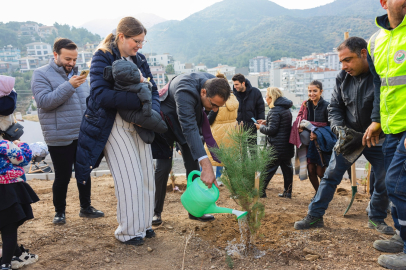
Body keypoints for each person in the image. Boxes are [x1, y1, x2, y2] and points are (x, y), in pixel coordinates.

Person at [294, 37, 394, 237]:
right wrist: (338, 128)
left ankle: (375, 218)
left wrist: (376, 123)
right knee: (330, 176)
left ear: (363, 54)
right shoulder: (342, 77)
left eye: (347, 60)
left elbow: (383, 102)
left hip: (377, 136)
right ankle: (314, 215)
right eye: (341, 61)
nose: (344, 65)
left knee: (384, 179)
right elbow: (335, 107)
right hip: (349, 137)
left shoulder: (380, 72)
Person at [75, 17, 159, 246]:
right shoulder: (102, 56)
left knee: (146, 175)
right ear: (122, 36)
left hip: (139, 123)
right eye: (137, 41)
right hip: (113, 124)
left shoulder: (139, 58)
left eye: (142, 42)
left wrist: (151, 114)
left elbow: (154, 91)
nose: (140, 46)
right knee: (130, 178)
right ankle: (128, 231)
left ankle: (144, 225)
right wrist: (139, 100)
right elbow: (100, 95)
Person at [31, 38, 104, 225]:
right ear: (55, 55)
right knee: (62, 176)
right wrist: (70, 85)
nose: (71, 63)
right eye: (67, 59)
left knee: (84, 172)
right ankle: (59, 212)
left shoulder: (78, 74)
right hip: (59, 136)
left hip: (82, 134)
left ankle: (86, 207)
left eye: (74, 59)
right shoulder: (41, 74)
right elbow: (45, 102)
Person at [152, 72, 230, 225]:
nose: (214, 110)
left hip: (187, 123)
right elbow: (189, 127)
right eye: (213, 105)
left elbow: (198, 129)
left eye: (218, 107)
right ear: (203, 92)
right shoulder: (185, 90)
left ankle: (195, 210)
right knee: (164, 166)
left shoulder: (212, 83)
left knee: (192, 163)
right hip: (166, 122)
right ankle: (155, 211)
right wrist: (206, 164)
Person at [364, 1, 406, 268]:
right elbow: (380, 85)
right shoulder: (374, 42)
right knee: (396, 189)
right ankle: (402, 237)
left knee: (397, 185)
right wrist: (377, 120)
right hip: (391, 127)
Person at [0, 76, 39, 270]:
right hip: (8, 191)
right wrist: (21, 144)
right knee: (9, 228)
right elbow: (22, 158)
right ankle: (7, 262)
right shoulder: (5, 145)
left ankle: (12, 255)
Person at [291, 81, 330, 196]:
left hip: (321, 143)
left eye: (315, 91)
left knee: (320, 172)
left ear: (321, 92)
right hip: (308, 143)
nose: (312, 93)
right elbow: (299, 120)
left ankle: (324, 193)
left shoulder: (327, 106)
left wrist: (318, 133)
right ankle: (319, 195)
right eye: (309, 91)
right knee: (311, 170)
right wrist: (300, 127)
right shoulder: (305, 105)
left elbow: (330, 126)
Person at [255, 87, 294, 198]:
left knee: (268, 169)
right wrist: (267, 122)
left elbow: (272, 130)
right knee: (287, 170)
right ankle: (288, 192)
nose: (265, 98)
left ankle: (261, 191)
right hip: (286, 146)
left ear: (271, 97)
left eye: (266, 96)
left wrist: (260, 127)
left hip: (276, 147)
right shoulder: (285, 108)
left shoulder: (274, 110)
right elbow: (282, 123)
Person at [204, 72, 239, 185]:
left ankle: (202, 177)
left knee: (209, 155)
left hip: (217, 130)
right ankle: (220, 178)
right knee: (226, 156)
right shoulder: (232, 97)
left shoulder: (216, 98)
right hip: (232, 130)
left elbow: (210, 119)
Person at [232, 73, 265, 152]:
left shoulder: (255, 92)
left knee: (253, 150)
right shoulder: (233, 94)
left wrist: (259, 122)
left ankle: (255, 164)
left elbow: (260, 108)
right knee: (241, 151)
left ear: (243, 83)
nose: (235, 86)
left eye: (237, 84)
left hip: (252, 125)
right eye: (234, 84)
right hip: (239, 127)